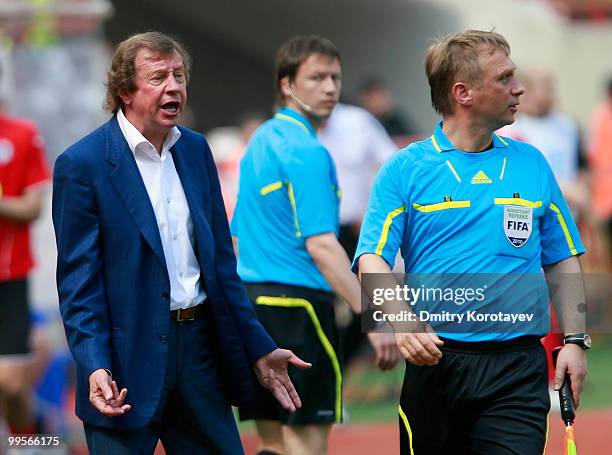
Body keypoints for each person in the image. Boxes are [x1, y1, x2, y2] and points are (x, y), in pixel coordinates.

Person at [52, 31, 309, 454]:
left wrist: (258, 347)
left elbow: (222, 270)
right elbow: (79, 286)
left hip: (199, 355)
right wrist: (95, 364)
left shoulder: (195, 150)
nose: (174, 86)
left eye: (179, 75)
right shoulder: (82, 165)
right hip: (123, 364)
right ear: (125, 91)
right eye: (158, 77)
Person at [354, 30, 589, 454]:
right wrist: (402, 319)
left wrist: (574, 340)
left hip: (518, 367)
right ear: (463, 92)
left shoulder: (531, 162)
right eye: (504, 78)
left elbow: (562, 257)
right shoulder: (404, 169)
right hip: (437, 363)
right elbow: (371, 258)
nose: (518, 88)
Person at [231, 35, 398, 455]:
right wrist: (373, 317)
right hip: (300, 310)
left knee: (273, 443)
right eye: (317, 77)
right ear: (287, 84)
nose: (330, 88)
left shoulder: (260, 141)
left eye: (336, 78)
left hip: (255, 308)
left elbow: (237, 234)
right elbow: (322, 246)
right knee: (306, 446)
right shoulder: (308, 152)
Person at [318, 102, 397, 364]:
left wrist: (374, 210)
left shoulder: (357, 121)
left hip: (357, 230)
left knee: (371, 309)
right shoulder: (291, 130)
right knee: (317, 308)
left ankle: (338, 367)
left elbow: (391, 164)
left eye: (333, 77)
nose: (327, 87)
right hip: (310, 235)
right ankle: (324, 380)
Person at [0, 68, 50, 436]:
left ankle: (33, 438)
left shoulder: (21, 134)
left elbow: (32, 209)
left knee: (11, 385)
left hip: (10, 279)